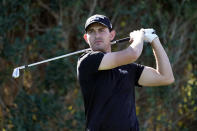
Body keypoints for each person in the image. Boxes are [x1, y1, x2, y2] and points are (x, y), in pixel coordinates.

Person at [77, 14, 174, 131]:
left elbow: (166, 77)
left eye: (101, 30)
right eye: (91, 31)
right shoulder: (87, 61)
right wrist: (139, 37)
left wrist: (154, 40)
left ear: (111, 35)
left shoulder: (128, 68)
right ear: (86, 38)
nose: (97, 35)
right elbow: (133, 54)